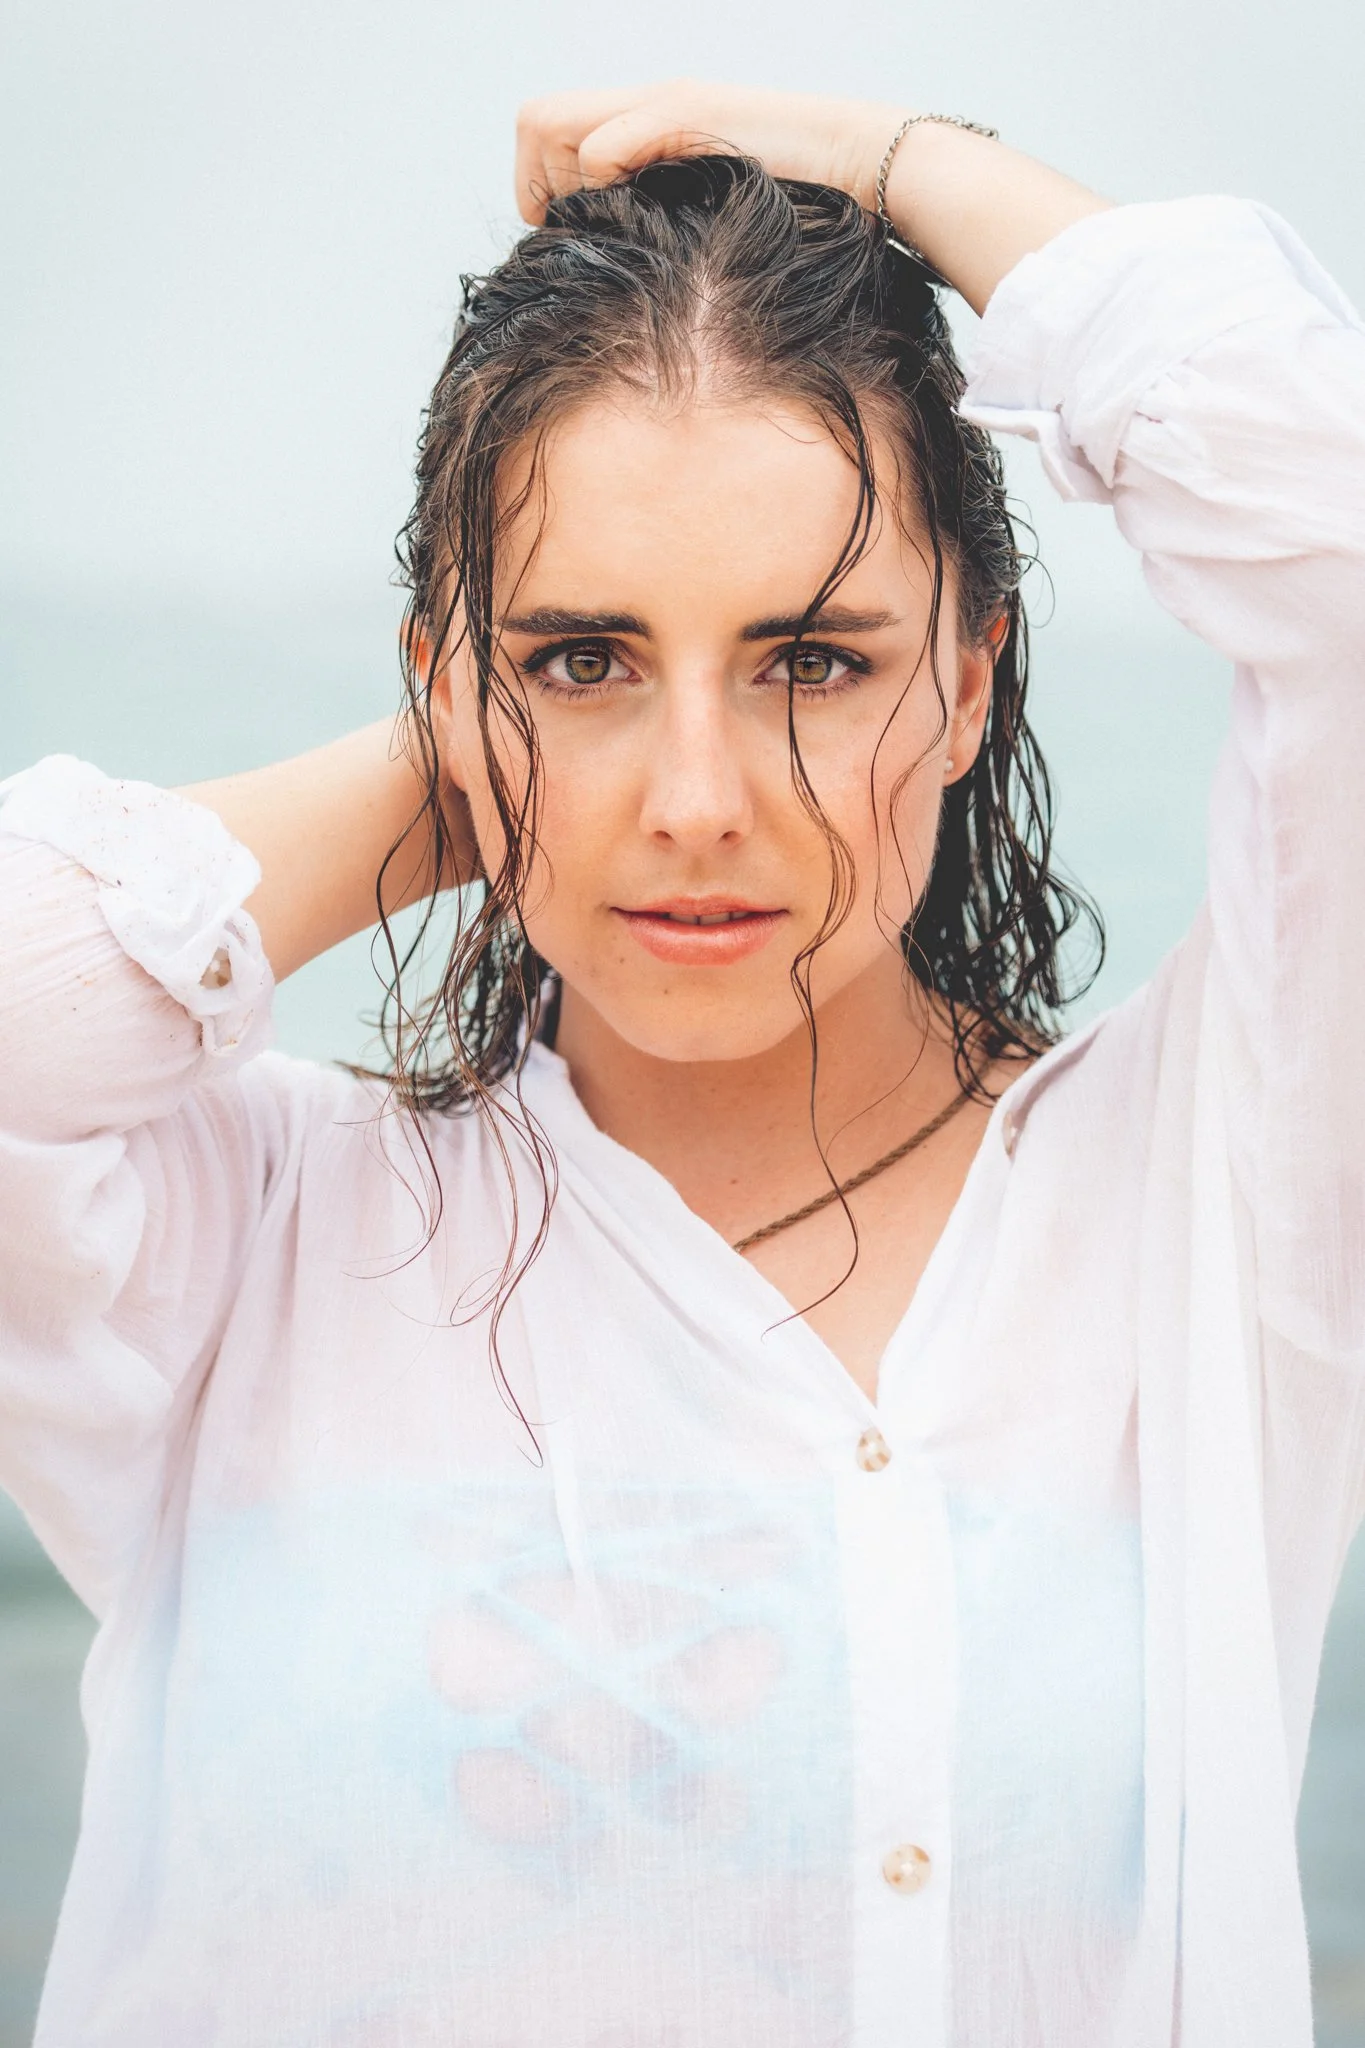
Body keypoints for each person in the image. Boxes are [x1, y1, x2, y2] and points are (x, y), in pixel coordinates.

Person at [1, 78, 1361, 2048]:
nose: (701, 801)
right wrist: (482, 773)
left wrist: (886, 159)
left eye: (813, 661)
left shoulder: (1216, 1202)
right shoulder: (251, 1244)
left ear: (968, 676)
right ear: (445, 687)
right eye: (584, 657)